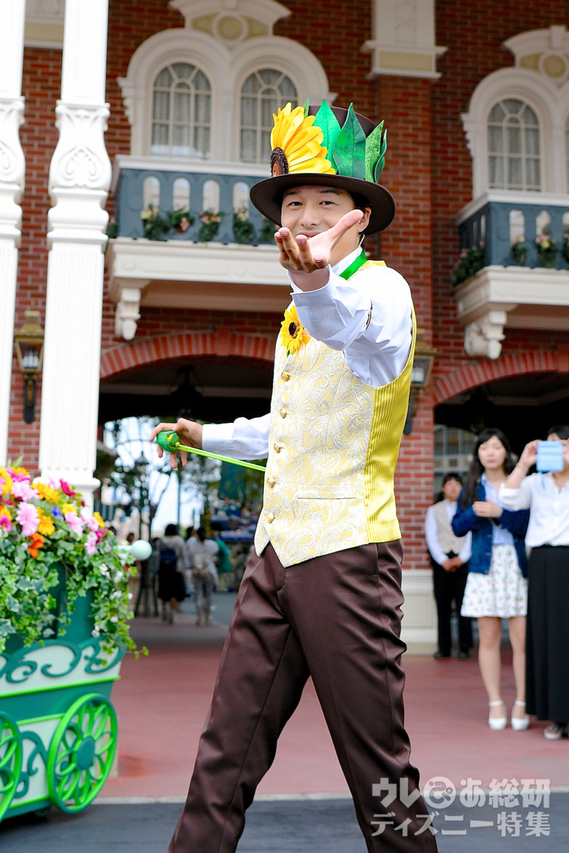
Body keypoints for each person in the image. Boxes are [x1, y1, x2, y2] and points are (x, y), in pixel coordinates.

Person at [152, 100, 436, 853]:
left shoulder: (382, 291)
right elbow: (287, 427)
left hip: (346, 553)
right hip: (275, 556)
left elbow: (364, 345)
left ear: (361, 217)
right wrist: (205, 433)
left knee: (378, 765)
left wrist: (316, 289)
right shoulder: (299, 305)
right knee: (225, 750)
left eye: (327, 201)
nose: (308, 215)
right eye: (295, 202)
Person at [452, 429, 529, 731]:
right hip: (483, 568)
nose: (490, 452)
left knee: (521, 640)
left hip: (514, 564)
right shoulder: (472, 485)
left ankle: (522, 701)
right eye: (484, 447)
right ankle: (495, 702)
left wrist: (501, 513)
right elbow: (457, 527)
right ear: (478, 454)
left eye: (496, 446)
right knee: (488, 638)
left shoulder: (520, 483)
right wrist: (475, 512)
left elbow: (525, 525)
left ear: (506, 452)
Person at [500, 425, 569, 740]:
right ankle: (557, 715)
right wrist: (525, 461)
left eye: (564, 445)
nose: (559, 450)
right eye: (552, 445)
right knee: (549, 637)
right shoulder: (535, 482)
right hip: (543, 564)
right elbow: (508, 499)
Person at [424, 474, 473, 660]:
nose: (453, 488)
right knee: (443, 606)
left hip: (463, 561)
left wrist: (462, 557)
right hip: (441, 563)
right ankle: (443, 648)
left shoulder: (467, 509)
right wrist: (442, 559)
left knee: (464, 605)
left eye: (457, 484)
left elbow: (470, 535)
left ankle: (465, 647)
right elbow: (431, 536)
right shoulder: (434, 510)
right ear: (443, 488)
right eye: (449, 484)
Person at [186, 526, 219, 625]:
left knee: (198, 593)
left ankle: (199, 616)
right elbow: (215, 553)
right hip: (209, 572)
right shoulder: (211, 545)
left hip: (196, 573)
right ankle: (208, 616)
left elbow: (188, 560)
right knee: (208, 594)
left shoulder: (192, 546)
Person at [157, 523, 187, 624]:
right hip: (176, 569)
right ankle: (171, 611)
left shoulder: (161, 540)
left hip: (163, 569)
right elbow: (183, 554)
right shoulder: (179, 540)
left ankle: (164, 609)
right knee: (174, 592)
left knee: (164, 591)